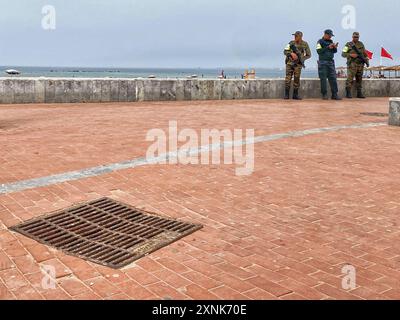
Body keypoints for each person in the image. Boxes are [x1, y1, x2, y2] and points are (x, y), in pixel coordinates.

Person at [283, 31, 311, 100]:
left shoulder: (305, 44)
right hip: (289, 63)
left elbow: (309, 55)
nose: (295, 37)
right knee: (288, 79)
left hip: (298, 64)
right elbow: (285, 51)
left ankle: (295, 95)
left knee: (296, 79)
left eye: (296, 36)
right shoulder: (291, 43)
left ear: (301, 36)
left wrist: (301, 59)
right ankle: (286, 95)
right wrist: (291, 54)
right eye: (294, 36)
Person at [342, 32, 369, 99]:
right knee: (350, 79)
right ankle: (348, 93)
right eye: (354, 37)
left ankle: (359, 93)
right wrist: (350, 55)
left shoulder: (361, 44)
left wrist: (366, 59)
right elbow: (343, 54)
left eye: (357, 37)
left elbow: (364, 53)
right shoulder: (348, 44)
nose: (356, 38)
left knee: (359, 79)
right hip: (352, 64)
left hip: (360, 64)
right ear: (352, 37)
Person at [316, 29, 341, 100]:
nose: (330, 37)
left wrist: (335, 47)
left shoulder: (331, 42)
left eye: (331, 36)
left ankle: (334, 94)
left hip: (331, 62)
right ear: (325, 34)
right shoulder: (320, 41)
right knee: (323, 79)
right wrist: (327, 47)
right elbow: (319, 51)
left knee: (333, 78)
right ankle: (324, 94)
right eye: (329, 35)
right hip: (323, 62)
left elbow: (334, 51)